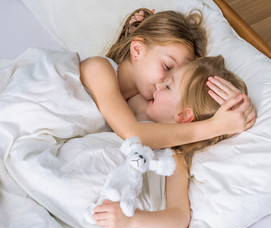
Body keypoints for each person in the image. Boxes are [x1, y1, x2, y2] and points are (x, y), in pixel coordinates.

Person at [90, 55, 251, 228]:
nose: (157, 86)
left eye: (167, 86)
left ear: (183, 116)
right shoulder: (139, 108)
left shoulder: (174, 156)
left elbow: (179, 218)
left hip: (102, 209)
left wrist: (131, 219)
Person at [80, 8, 255, 150]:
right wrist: (214, 127)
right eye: (167, 67)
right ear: (138, 50)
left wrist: (232, 106)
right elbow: (135, 134)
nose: (165, 81)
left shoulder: (138, 101)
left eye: (175, 77)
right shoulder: (99, 69)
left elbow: (172, 126)